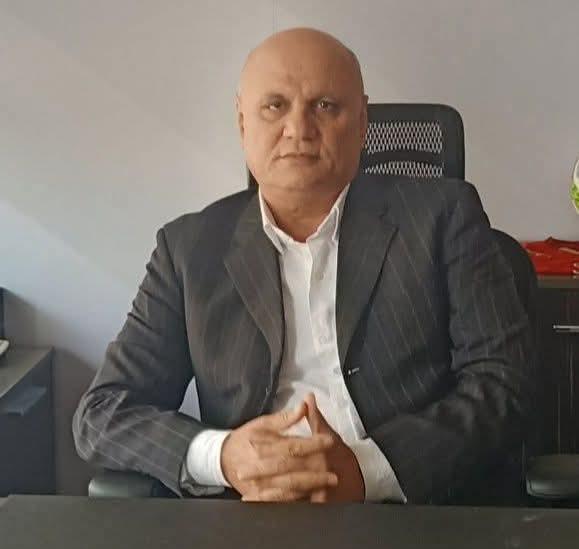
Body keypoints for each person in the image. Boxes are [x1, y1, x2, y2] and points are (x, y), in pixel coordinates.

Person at [73, 28, 533, 504]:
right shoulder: (189, 249)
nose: (299, 129)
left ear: (363, 123)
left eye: (325, 106)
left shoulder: (442, 217)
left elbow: (504, 384)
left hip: (409, 510)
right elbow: (102, 412)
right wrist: (223, 457)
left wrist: (365, 471)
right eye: (275, 106)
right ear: (242, 123)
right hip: (250, 515)